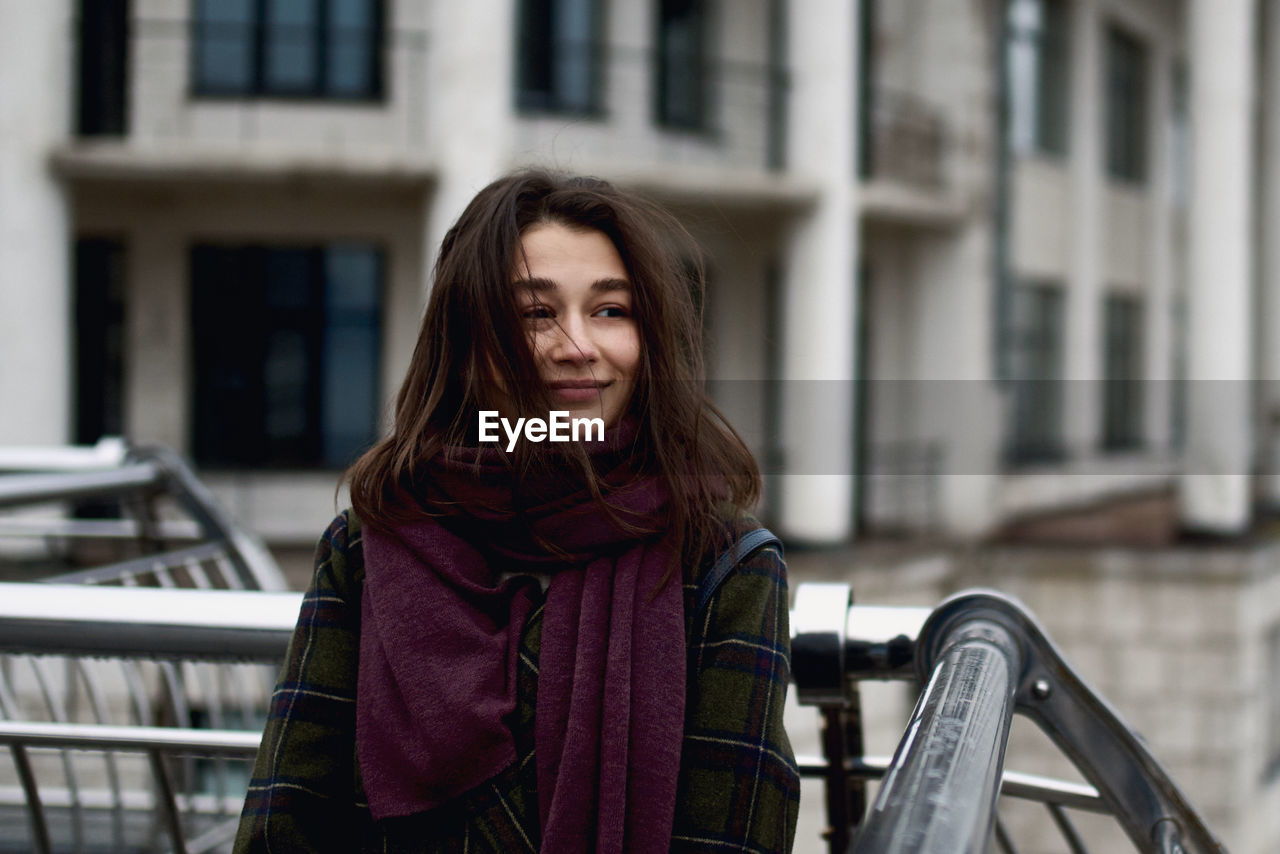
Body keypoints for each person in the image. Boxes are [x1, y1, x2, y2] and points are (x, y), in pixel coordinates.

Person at [233, 170, 799, 853]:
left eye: (611, 310)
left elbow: (731, 837)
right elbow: (285, 816)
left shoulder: (722, 563)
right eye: (535, 314)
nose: (578, 346)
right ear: (471, 343)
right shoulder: (373, 542)